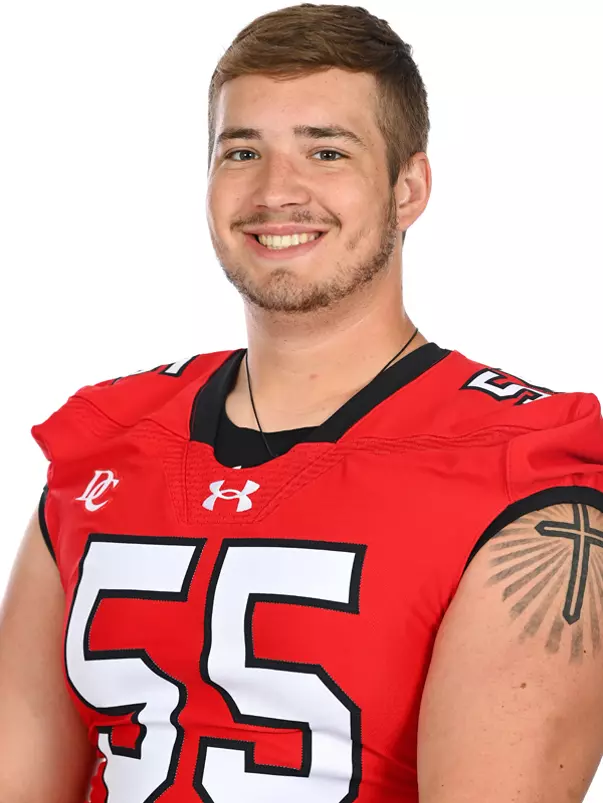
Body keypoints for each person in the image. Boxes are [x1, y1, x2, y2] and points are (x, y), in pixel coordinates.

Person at [1, 3, 602, 801]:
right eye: (241, 150)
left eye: (326, 151)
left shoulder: (523, 471)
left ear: (408, 187)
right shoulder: (105, 442)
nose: (276, 190)